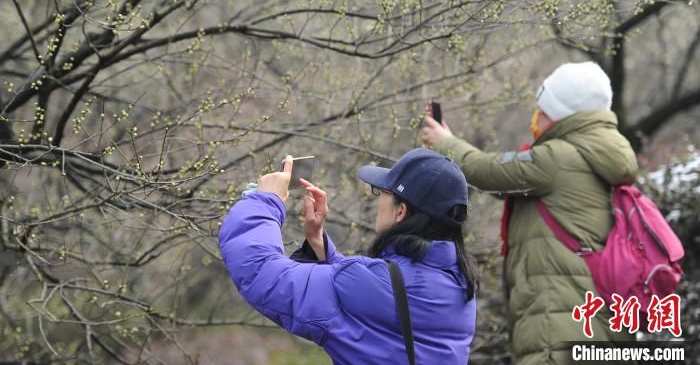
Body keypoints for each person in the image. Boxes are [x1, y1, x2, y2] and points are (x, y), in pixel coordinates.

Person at [421, 62, 638, 365]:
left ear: (564, 114)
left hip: (557, 323)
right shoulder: (600, 153)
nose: (536, 118)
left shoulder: (558, 158)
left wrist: (445, 143)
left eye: (544, 110)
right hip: (591, 319)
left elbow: (490, 172)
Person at [219, 148, 478, 364]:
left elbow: (262, 274)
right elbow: (378, 303)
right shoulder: (459, 285)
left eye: (382, 192)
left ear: (401, 212)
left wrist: (265, 201)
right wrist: (320, 245)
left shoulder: (371, 282)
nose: (378, 200)